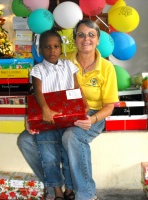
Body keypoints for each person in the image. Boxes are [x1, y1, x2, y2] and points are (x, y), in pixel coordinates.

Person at [17, 19, 119, 200]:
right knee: (25, 139)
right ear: (74, 39)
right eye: (81, 34)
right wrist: (33, 117)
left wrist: (92, 119)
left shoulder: (106, 67)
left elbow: (109, 106)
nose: (86, 39)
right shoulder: (64, 61)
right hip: (61, 115)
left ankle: (85, 194)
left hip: (94, 114)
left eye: (91, 35)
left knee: (71, 136)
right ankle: (55, 185)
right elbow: (42, 92)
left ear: (98, 39)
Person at [24, 29, 88, 200]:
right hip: (47, 123)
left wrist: (83, 104)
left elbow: (75, 88)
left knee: (68, 157)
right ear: (40, 50)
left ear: (61, 48)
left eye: (56, 46)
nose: (52, 51)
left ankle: (69, 188)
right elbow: (37, 91)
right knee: (49, 158)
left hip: (68, 121)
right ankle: (57, 191)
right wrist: (45, 109)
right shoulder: (37, 69)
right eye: (47, 47)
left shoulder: (68, 65)